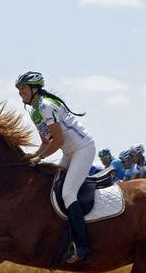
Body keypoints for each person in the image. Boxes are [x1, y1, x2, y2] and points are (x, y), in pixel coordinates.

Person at [16, 70, 95, 263]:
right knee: (52, 188)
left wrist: (40, 158)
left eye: (23, 88)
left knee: (68, 193)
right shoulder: (35, 111)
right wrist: (33, 155)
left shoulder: (45, 106)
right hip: (70, 152)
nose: (20, 92)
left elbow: (57, 141)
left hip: (83, 149)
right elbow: (46, 141)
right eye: (18, 89)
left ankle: (83, 246)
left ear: (35, 88)